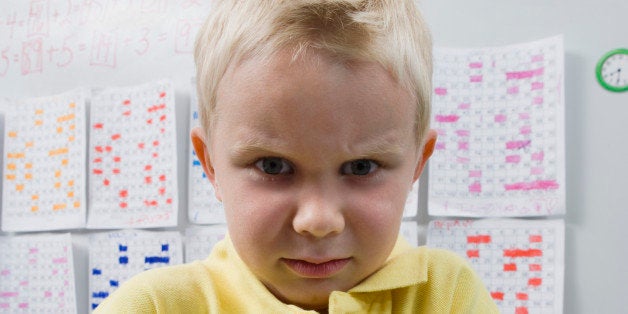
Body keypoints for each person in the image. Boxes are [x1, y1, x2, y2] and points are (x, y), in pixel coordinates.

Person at [95, 0, 499, 312]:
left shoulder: (447, 294)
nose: (318, 221)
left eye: (362, 167)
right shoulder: (152, 307)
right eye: (273, 166)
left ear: (417, 165)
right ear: (211, 165)